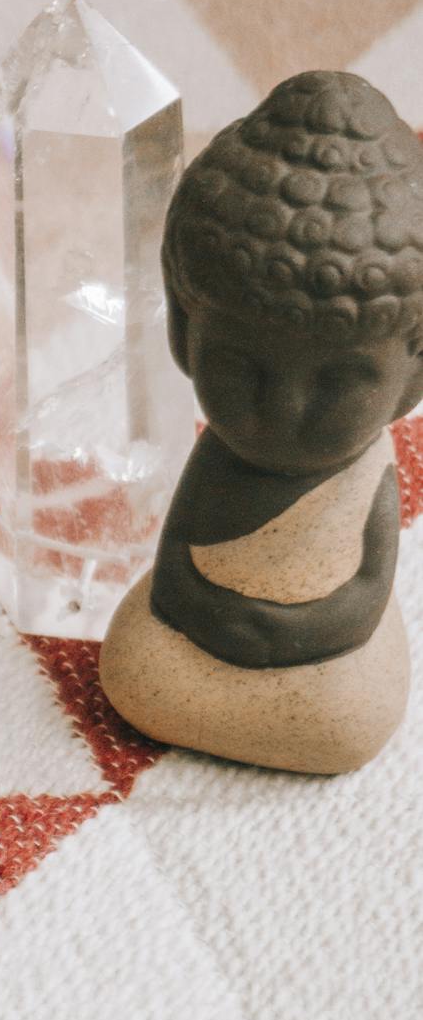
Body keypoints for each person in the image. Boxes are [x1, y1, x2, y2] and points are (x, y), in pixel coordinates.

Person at [99, 70, 423, 773]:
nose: (282, 413)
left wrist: (288, 631)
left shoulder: (365, 473)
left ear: (414, 374)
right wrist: (210, 617)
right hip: (202, 637)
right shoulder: (218, 459)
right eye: (243, 368)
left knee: (347, 713)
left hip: (319, 657)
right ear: (185, 329)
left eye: (339, 381)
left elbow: (366, 592)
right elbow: (175, 571)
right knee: (136, 665)